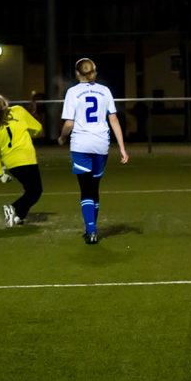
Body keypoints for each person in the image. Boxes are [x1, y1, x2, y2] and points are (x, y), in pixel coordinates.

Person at [58, 58, 129, 244]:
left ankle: (91, 230)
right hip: (101, 144)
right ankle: (92, 228)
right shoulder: (104, 91)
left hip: (81, 145)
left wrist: (62, 137)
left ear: (77, 73)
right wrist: (122, 147)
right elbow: (113, 120)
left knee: (85, 189)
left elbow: (69, 123)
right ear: (94, 72)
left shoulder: (72, 92)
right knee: (94, 188)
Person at [0, 93, 43, 227]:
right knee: (36, 191)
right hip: (27, 158)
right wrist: (34, 134)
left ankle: (18, 217)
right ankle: (13, 208)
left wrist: (0, 173)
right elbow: (38, 128)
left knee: (30, 190)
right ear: (5, 101)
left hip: (11, 163)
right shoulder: (19, 111)